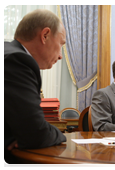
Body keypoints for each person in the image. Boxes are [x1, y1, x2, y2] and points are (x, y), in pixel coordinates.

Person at [4, 9, 67, 166]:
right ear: (45, 35)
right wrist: (61, 135)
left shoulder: (7, 53)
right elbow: (36, 134)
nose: (60, 56)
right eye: (61, 44)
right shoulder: (17, 60)